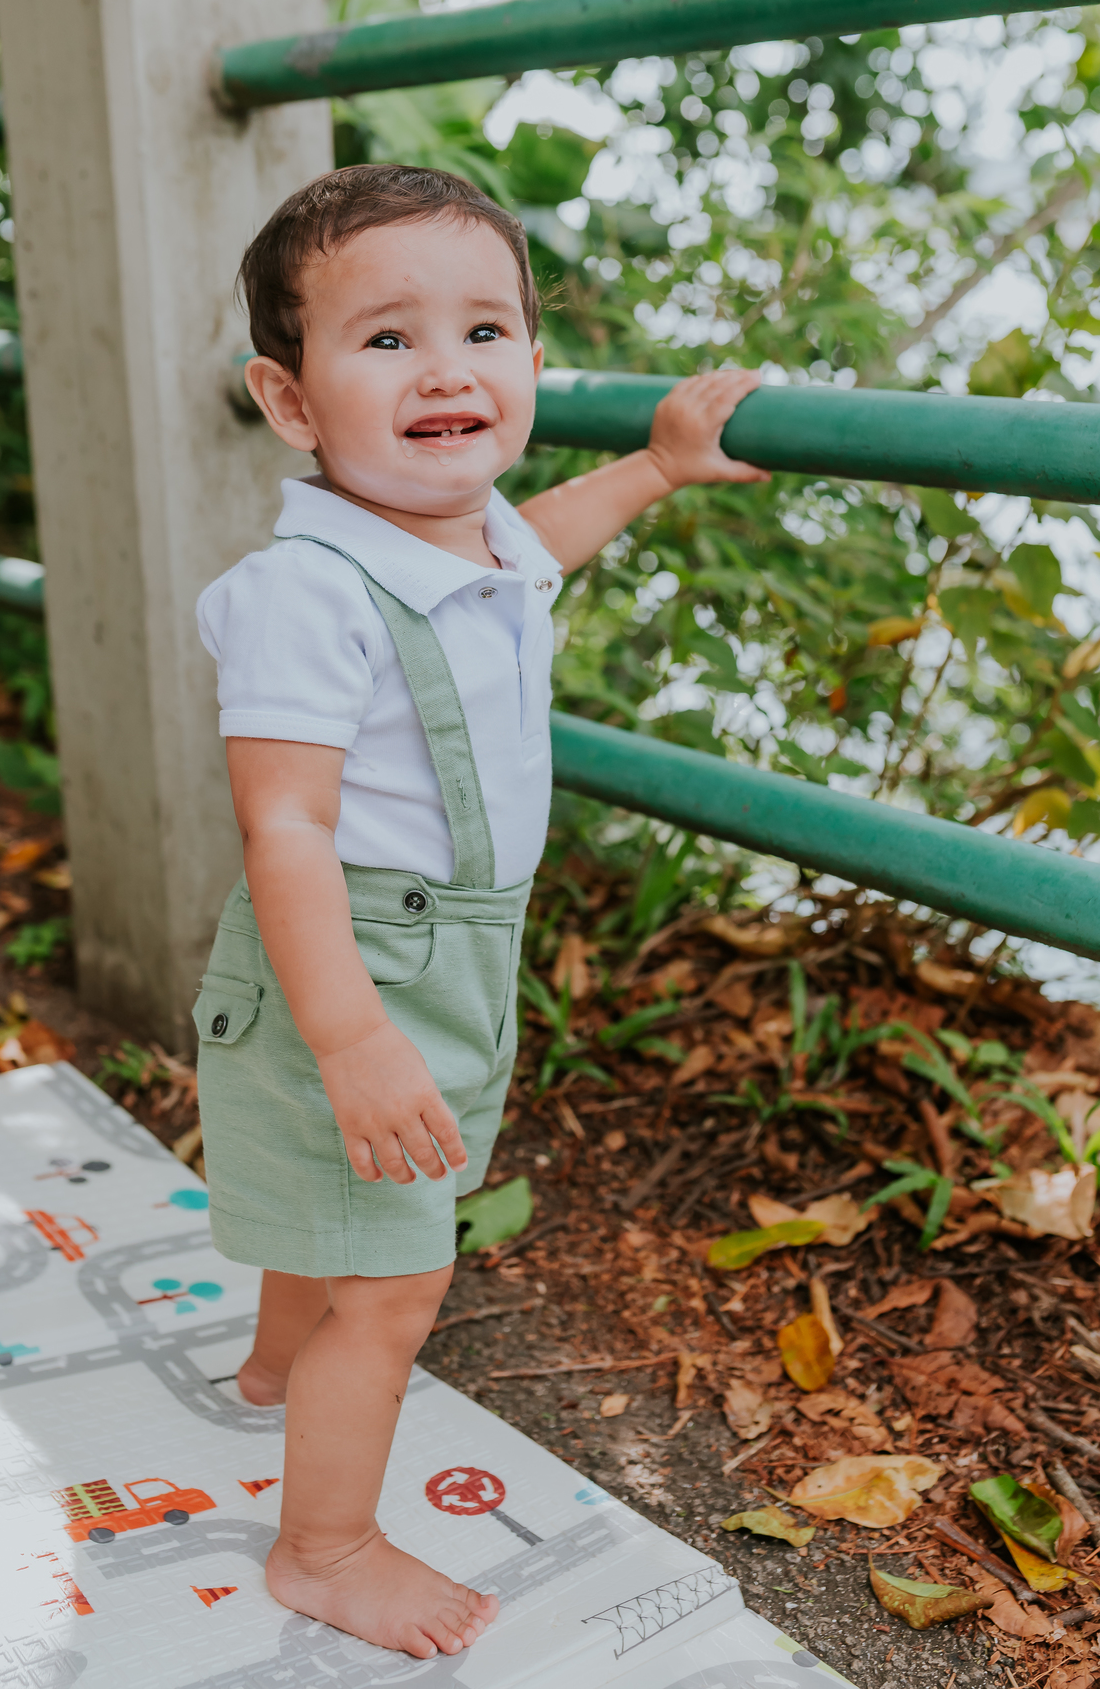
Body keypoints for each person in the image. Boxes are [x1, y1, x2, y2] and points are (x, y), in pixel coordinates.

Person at [194, 162, 769, 1662]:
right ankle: (322, 1545)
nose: (448, 366)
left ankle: (273, 1360)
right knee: (396, 1268)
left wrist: (653, 462)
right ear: (292, 397)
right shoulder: (307, 589)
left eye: (488, 329)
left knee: (348, 1192)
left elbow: (549, 536)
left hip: (454, 951)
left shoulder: (474, 535)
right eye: (385, 339)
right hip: (354, 960)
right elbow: (286, 825)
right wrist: (352, 1032)